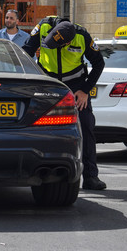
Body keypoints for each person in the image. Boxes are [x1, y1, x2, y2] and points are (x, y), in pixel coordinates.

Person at [22, 16, 107, 191]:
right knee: (38, 126)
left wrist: (85, 90)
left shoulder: (82, 36)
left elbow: (99, 63)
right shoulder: (43, 27)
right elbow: (26, 51)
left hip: (76, 87)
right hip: (48, 83)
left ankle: (91, 176)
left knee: (86, 125)